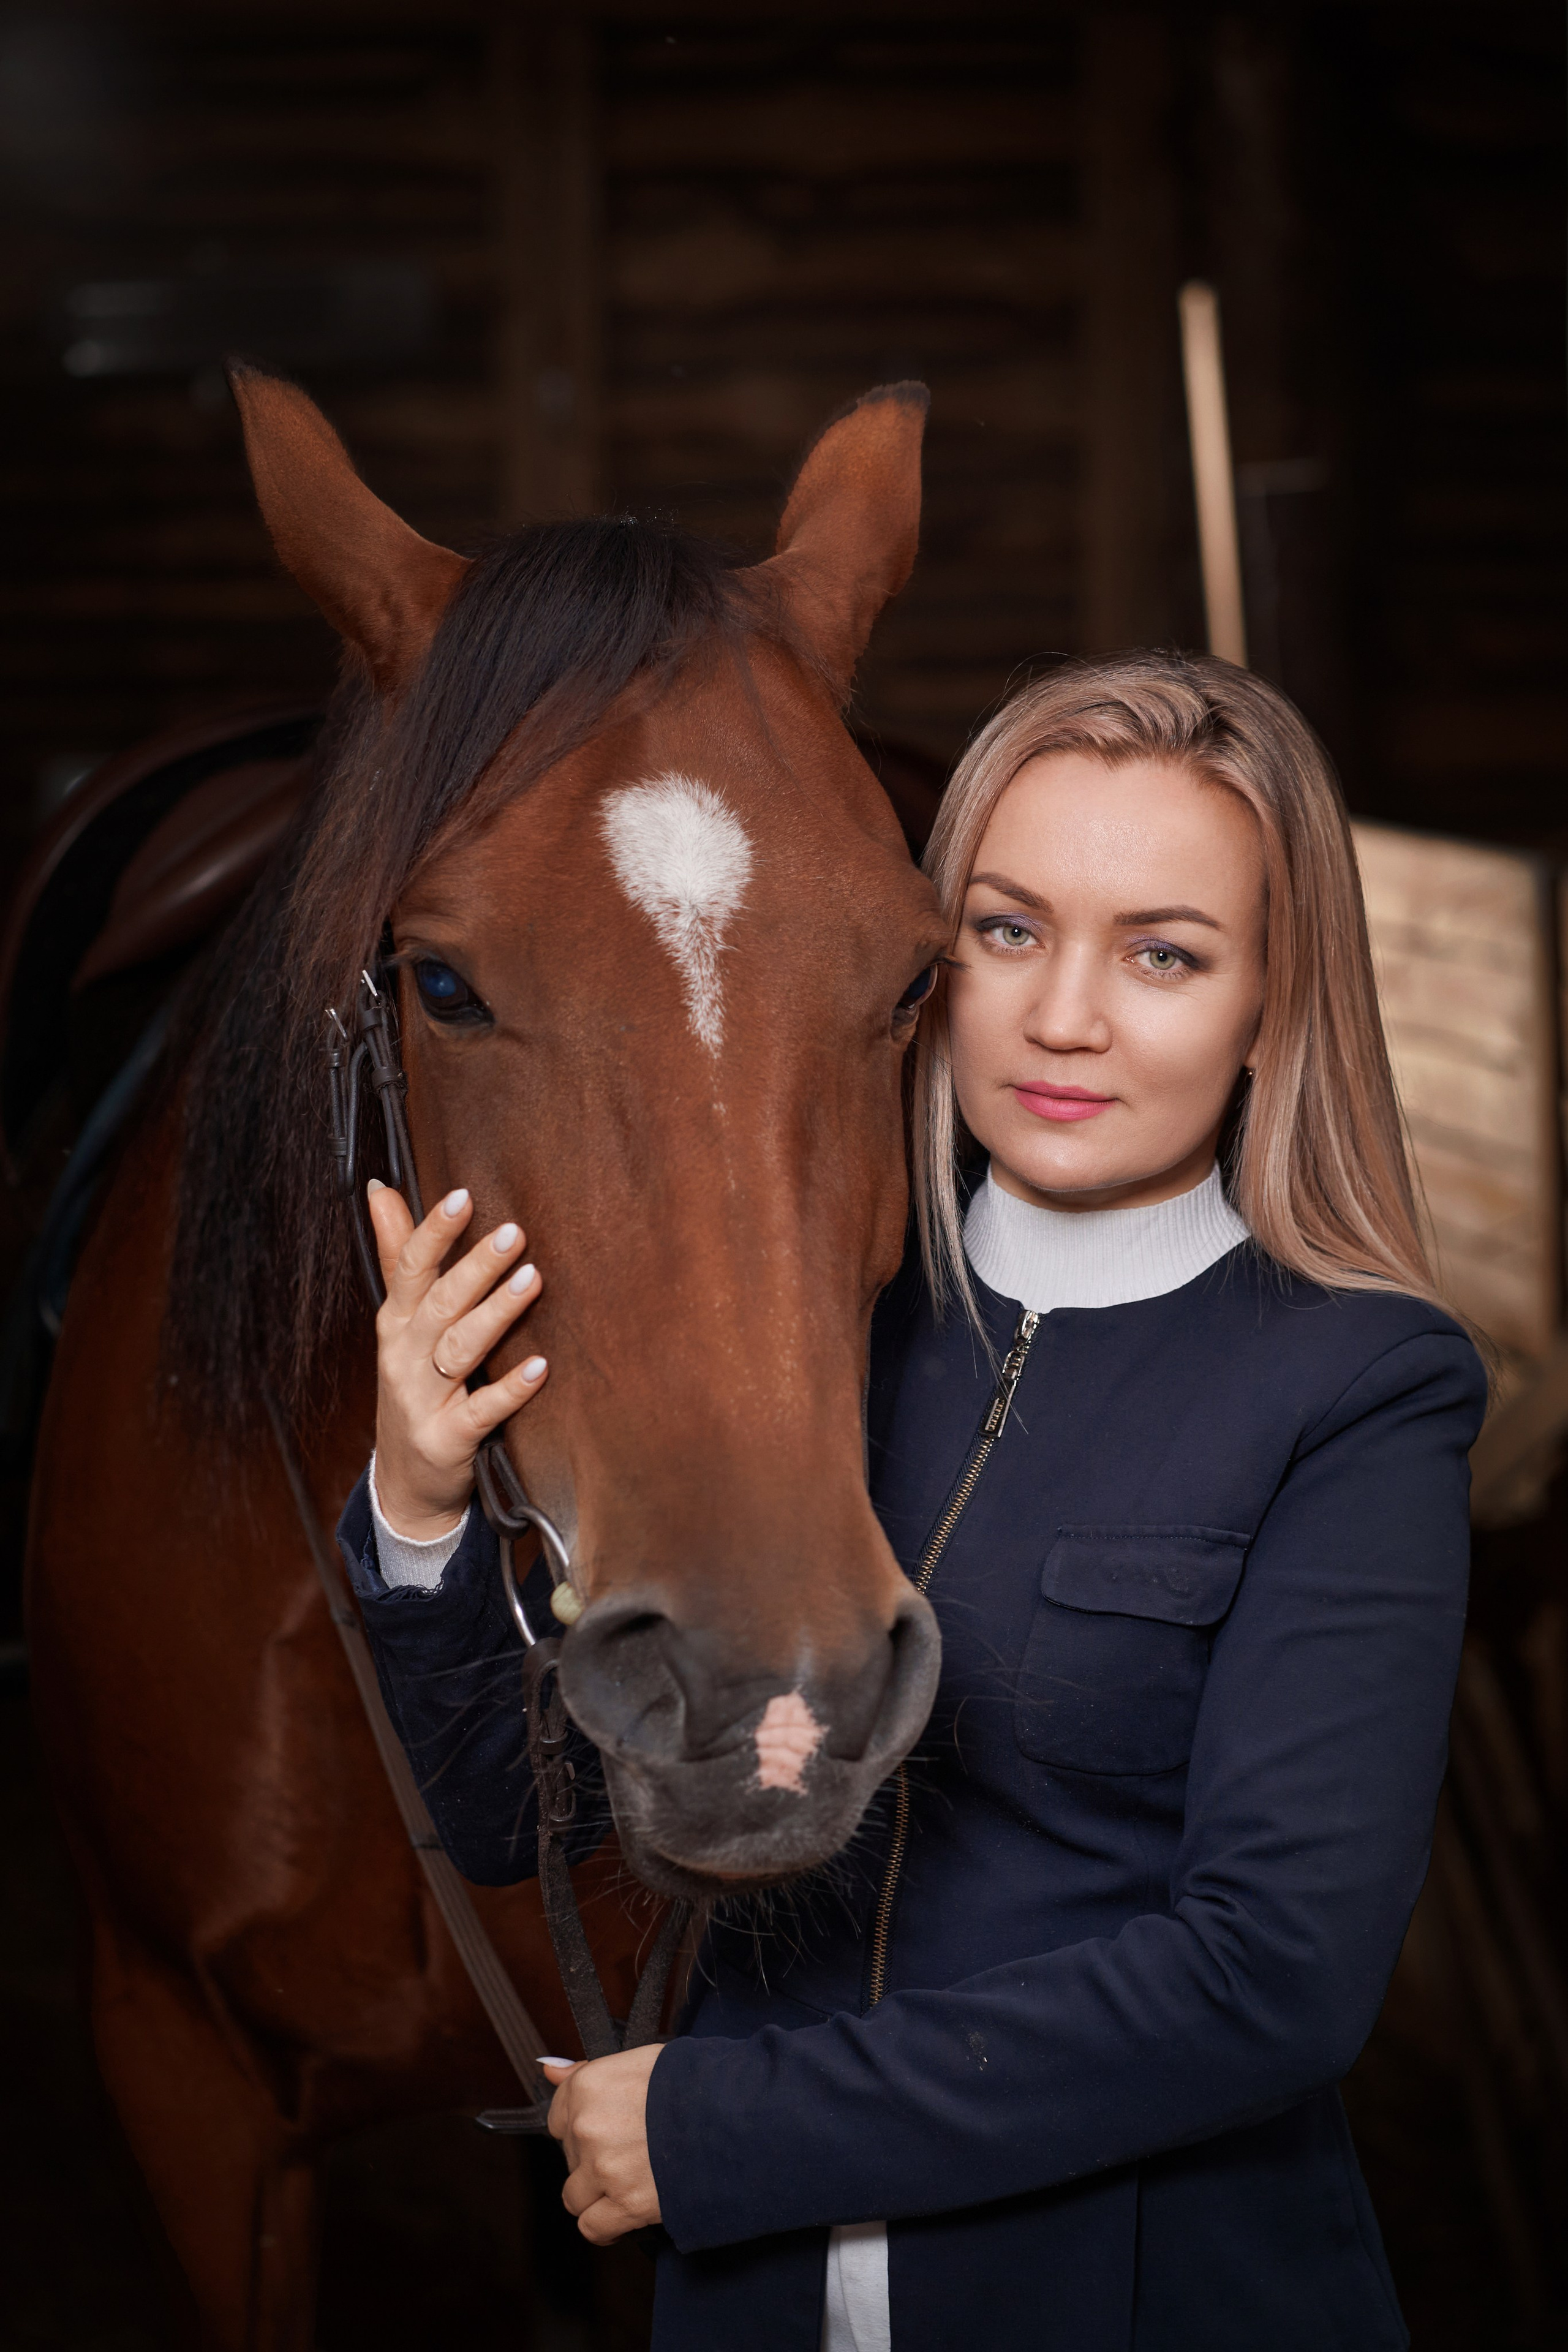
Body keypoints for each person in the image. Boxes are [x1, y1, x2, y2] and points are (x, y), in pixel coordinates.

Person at [340, 652, 1487, 2351]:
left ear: (1274, 1003)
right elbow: (537, 1831)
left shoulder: (1359, 1389)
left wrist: (724, 2133)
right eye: (1009, 933)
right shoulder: (818, 1343)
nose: (1066, 1017)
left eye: (1163, 953)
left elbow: (1277, 1981)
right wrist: (419, 1502)